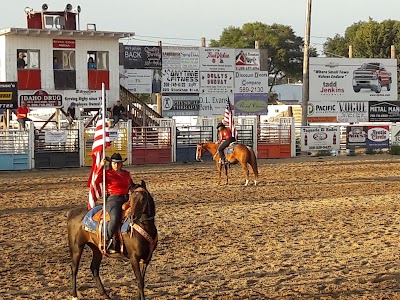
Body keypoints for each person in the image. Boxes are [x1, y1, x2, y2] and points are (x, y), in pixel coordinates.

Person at [96, 153, 134, 254]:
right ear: (111, 164)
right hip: (113, 199)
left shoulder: (126, 174)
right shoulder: (107, 174)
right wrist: (100, 166)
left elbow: (131, 185)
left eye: (118, 163)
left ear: (121, 164)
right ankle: (108, 240)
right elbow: (96, 180)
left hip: (126, 198)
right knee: (115, 217)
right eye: (114, 163)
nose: (116, 165)